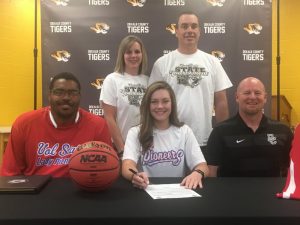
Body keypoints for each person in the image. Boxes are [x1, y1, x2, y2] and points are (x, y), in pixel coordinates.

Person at [149, 11, 232, 155]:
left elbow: (221, 101)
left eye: (194, 26)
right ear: (176, 31)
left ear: (199, 31)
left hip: (204, 139)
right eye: (184, 26)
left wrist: (222, 135)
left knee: (201, 177)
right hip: (169, 138)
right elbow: (153, 102)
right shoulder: (162, 63)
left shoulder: (212, 62)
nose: (189, 30)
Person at [1, 72, 112, 177]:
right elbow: (10, 174)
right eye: (59, 92)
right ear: (49, 95)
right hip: (37, 193)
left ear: (79, 96)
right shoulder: (24, 124)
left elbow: (106, 170)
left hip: (82, 190)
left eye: (73, 93)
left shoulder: (98, 126)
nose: (66, 98)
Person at [122, 81, 208, 189]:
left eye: (165, 101)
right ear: (147, 105)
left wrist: (197, 173)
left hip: (178, 192)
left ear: (172, 103)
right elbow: (127, 165)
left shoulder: (184, 131)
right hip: (146, 191)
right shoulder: (135, 132)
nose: (160, 106)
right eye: (154, 102)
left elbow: (203, 166)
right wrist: (134, 176)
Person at [206, 77, 293, 177]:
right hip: (232, 192)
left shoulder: (283, 130)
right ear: (237, 97)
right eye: (247, 93)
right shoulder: (220, 132)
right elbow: (211, 171)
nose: (252, 97)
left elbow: (292, 168)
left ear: (265, 98)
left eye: (257, 93)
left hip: (272, 192)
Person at [100, 35, 148, 158]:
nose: (133, 56)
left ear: (142, 55)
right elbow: (109, 117)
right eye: (128, 52)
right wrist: (122, 150)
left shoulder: (148, 81)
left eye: (137, 52)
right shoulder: (112, 80)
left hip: (147, 148)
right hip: (122, 148)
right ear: (122, 55)